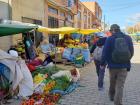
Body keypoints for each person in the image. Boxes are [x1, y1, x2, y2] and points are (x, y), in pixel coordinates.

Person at [101, 24, 134, 105]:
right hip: (124, 66)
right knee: (120, 86)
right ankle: (118, 103)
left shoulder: (110, 39)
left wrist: (102, 63)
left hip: (112, 67)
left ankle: (111, 96)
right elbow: (131, 52)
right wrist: (126, 60)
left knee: (112, 82)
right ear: (119, 29)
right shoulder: (128, 38)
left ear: (112, 30)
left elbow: (105, 53)